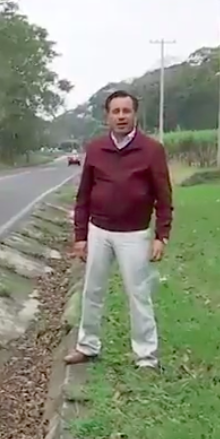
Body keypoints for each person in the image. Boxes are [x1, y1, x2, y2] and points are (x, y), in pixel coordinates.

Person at [67, 90, 173, 369]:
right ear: (108, 116)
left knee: (139, 294)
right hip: (98, 230)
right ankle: (87, 346)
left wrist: (162, 235)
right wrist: (80, 236)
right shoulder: (96, 148)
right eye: (116, 111)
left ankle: (146, 356)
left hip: (135, 234)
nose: (121, 116)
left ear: (134, 114)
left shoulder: (152, 150)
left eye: (126, 111)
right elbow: (83, 195)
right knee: (92, 291)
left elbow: (164, 196)